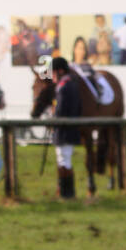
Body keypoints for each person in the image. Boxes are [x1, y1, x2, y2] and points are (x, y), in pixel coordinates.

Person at [51, 56, 82, 198]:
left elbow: (60, 110)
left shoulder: (64, 86)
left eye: (53, 72)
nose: (52, 76)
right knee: (64, 159)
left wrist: (52, 120)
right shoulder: (72, 84)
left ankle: (67, 193)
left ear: (60, 71)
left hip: (63, 130)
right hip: (70, 129)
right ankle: (66, 192)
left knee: (64, 160)